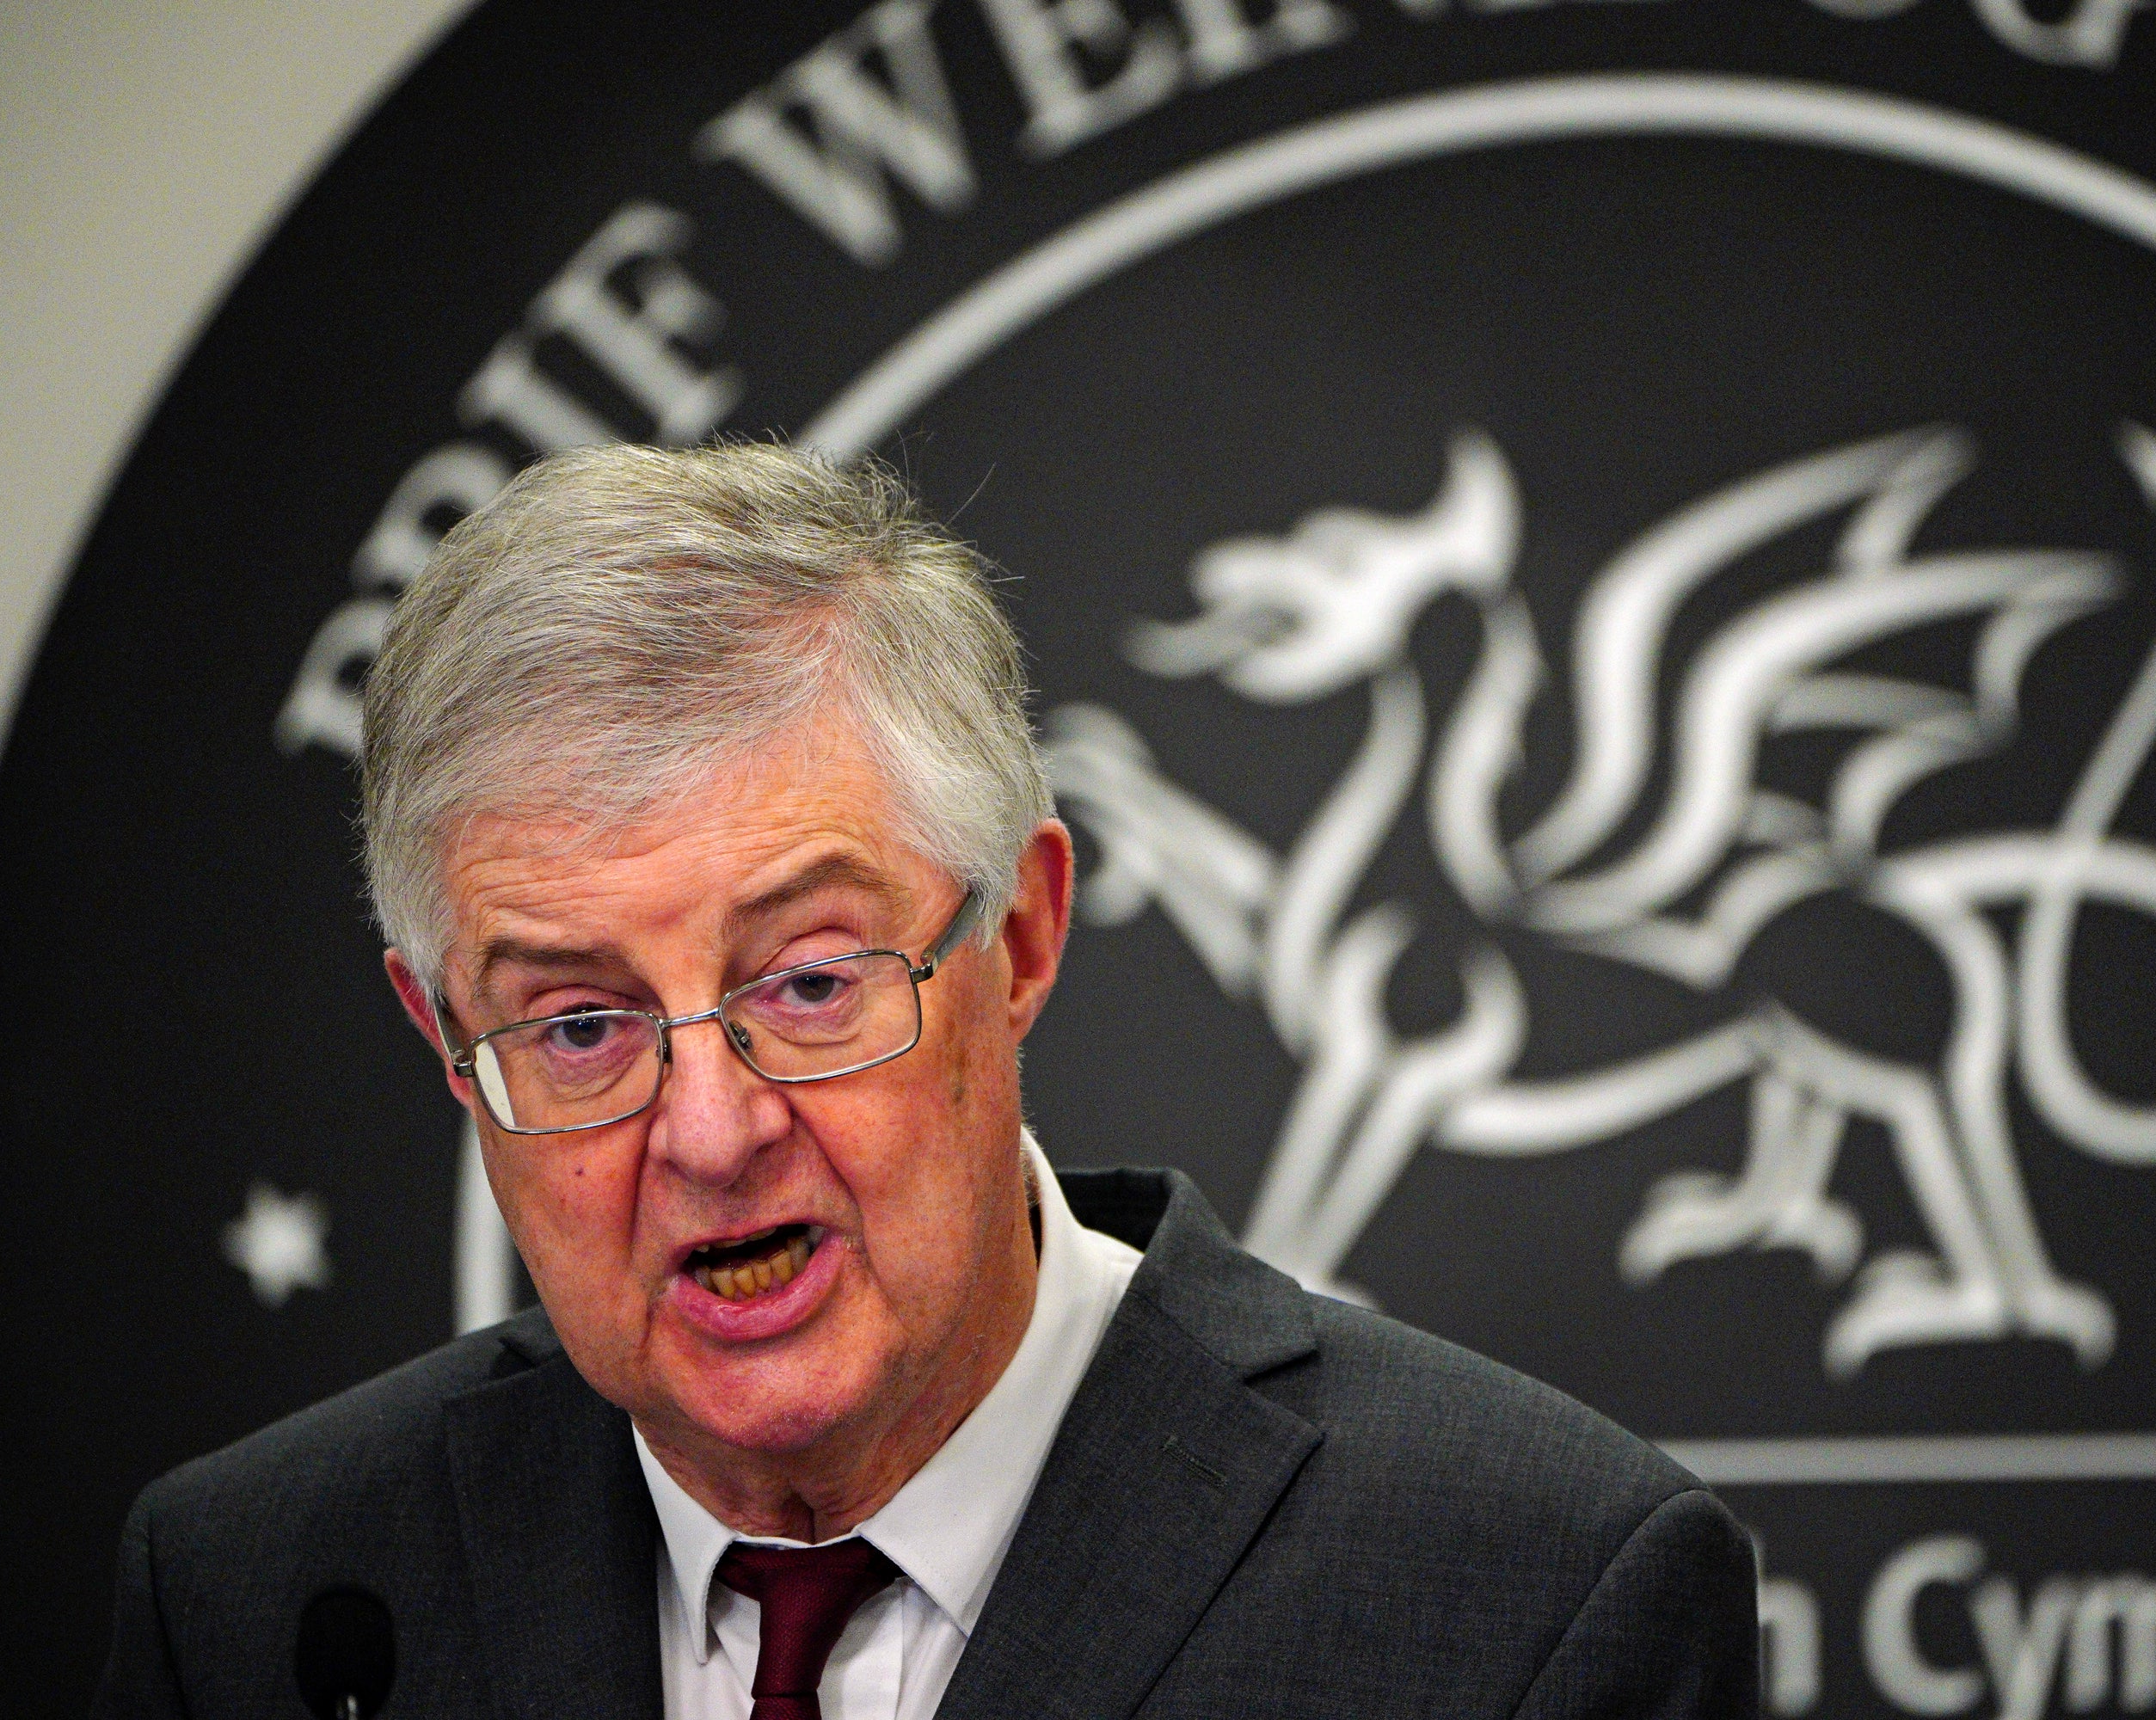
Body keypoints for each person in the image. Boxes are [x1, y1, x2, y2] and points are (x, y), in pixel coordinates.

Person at [94, 443, 1758, 1719]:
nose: (715, 1131)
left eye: (810, 984)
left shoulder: (1530, 1600)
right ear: (447, 1046)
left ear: (1019, 940)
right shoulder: (262, 1601)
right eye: (581, 1026)